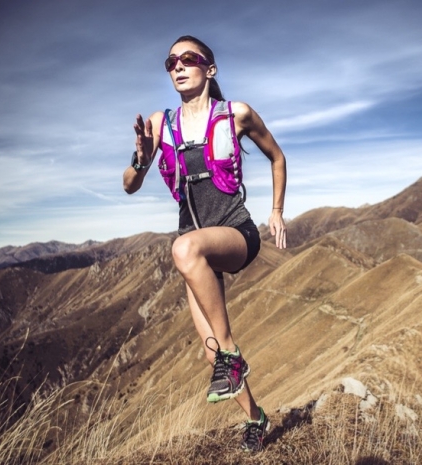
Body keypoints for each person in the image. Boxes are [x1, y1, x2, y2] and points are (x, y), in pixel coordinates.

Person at [122, 35, 287, 452]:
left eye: (188, 59)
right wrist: (140, 157)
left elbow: (277, 157)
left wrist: (276, 211)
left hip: (236, 234)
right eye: (170, 62)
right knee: (212, 354)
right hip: (197, 251)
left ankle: (233, 352)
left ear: (209, 69)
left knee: (183, 249)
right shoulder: (161, 124)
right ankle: (256, 418)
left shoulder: (236, 114)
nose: (178, 66)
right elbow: (129, 185)